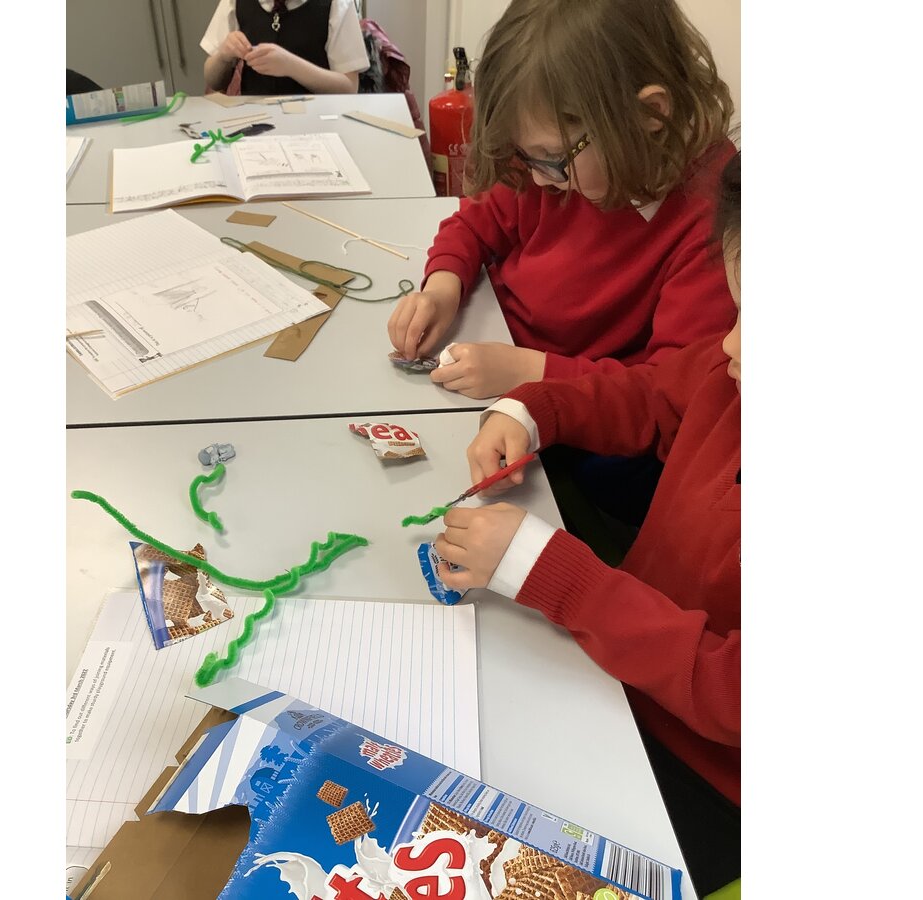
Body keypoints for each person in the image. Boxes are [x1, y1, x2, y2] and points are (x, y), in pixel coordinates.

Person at [434, 151, 741, 892]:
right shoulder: (734, 375)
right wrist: (535, 409)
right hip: (620, 673)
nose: (732, 345)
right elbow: (653, 395)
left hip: (707, 774)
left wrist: (567, 583)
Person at [386, 0, 735, 401]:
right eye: (526, 155)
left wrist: (528, 372)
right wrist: (442, 289)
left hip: (577, 405)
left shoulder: (714, 220)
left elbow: (668, 391)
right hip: (493, 342)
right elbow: (476, 221)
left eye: (551, 157)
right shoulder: (556, 143)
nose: (537, 178)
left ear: (649, 114)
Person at [200, 0, 369, 95]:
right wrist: (223, 55)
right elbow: (213, 81)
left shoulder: (336, 4)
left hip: (316, 124)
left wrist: (291, 66)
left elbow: (349, 87)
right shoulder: (234, 2)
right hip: (253, 124)